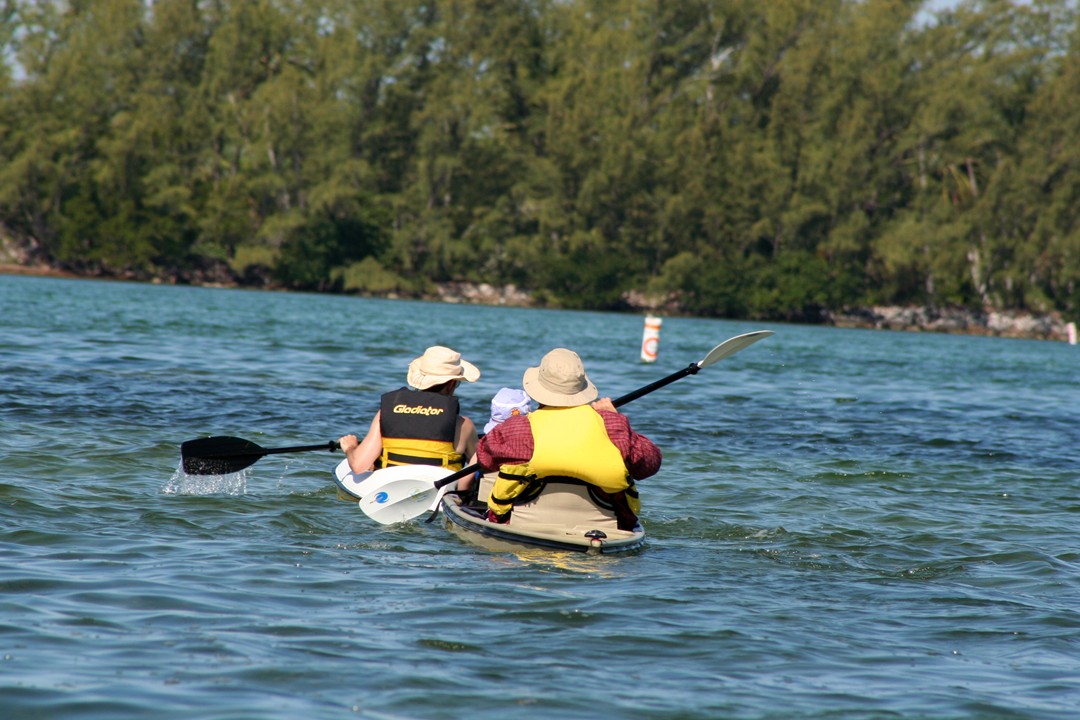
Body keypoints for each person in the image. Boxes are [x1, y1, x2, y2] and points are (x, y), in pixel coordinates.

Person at [475, 348, 661, 530]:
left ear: (539, 389)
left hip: (525, 524)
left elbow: (485, 457)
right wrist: (615, 417)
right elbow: (649, 464)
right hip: (605, 528)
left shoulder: (516, 428)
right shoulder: (612, 424)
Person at [338, 346, 480, 475]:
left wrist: (351, 448)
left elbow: (358, 465)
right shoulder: (463, 425)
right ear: (451, 384)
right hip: (439, 492)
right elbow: (481, 467)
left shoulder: (386, 413)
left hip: (391, 486)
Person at [458, 387, 533, 497]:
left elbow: (463, 482)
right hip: (523, 503)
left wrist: (462, 498)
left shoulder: (486, 448)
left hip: (487, 502)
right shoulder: (535, 447)